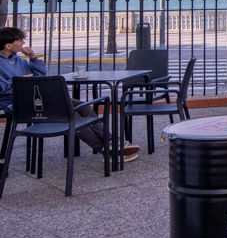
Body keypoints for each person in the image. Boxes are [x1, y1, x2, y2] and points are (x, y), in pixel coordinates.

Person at [0, 27, 134, 159]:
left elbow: (40, 76)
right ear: (8, 45)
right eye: (20, 40)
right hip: (16, 104)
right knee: (70, 114)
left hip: (35, 99)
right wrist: (17, 82)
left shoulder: (19, 60)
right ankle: (104, 148)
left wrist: (33, 58)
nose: (23, 43)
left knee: (83, 106)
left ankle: (110, 141)